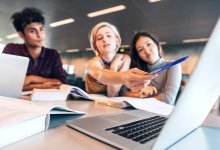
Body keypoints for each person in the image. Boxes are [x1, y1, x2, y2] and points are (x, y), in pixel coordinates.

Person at [3, 7, 67, 91]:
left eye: (41, 29)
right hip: (17, 101)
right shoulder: (12, 50)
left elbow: (61, 83)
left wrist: (31, 79)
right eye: (32, 31)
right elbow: (5, 84)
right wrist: (43, 85)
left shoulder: (53, 54)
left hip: (45, 102)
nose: (39, 35)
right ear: (21, 35)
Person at [85, 22, 157, 97]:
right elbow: (100, 74)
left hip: (111, 104)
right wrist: (115, 67)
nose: (105, 39)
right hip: (91, 103)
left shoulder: (125, 58)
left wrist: (114, 65)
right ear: (95, 44)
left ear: (117, 40)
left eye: (109, 36)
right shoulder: (92, 63)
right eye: (99, 38)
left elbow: (112, 93)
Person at [125, 32, 182, 105]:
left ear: (157, 45)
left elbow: (167, 99)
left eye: (148, 44)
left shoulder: (173, 65)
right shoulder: (138, 70)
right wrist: (138, 94)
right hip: (141, 112)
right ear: (138, 56)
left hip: (163, 113)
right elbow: (124, 92)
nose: (146, 51)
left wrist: (141, 96)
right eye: (140, 49)